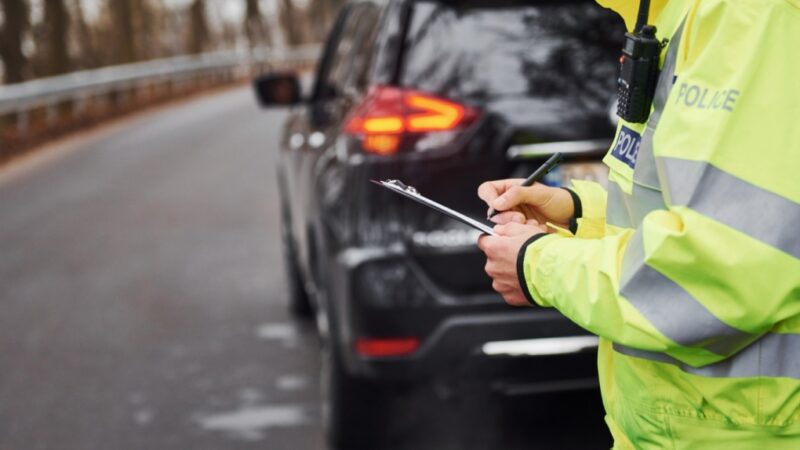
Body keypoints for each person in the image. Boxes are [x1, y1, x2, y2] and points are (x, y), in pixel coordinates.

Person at [476, 0, 800, 448]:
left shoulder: (745, 16)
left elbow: (721, 271)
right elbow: (695, 208)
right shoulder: (673, 12)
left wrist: (540, 265)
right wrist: (576, 214)